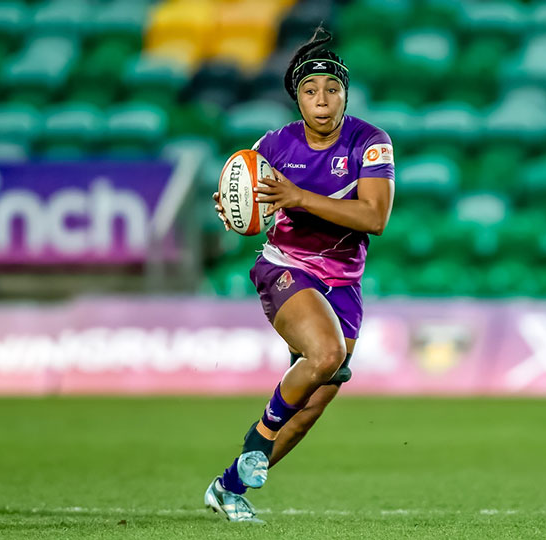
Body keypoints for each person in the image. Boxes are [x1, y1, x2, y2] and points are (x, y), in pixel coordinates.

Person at [205, 27, 395, 523]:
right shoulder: (272, 145)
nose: (323, 101)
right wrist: (232, 205)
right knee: (326, 354)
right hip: (286, 267)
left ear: (345, 95)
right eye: (311, 92)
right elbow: (246, 201)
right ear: (297, 99)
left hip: (344, 284)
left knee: (309, 408)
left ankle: (227, 488)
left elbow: (375, 218)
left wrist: (298, 197)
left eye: (332, 90)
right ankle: (257, 440)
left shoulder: (370, 143)